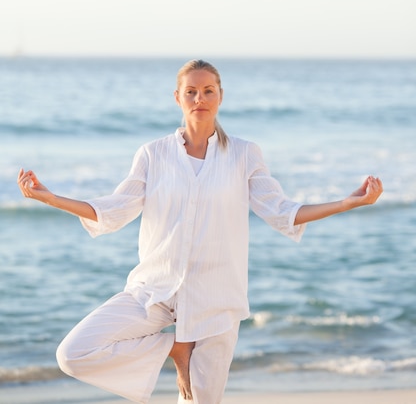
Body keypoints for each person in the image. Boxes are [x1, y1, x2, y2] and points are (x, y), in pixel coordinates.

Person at [17, 59, 383, 404]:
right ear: (177, 98)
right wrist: (51, 198)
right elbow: (114, 209)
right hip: (155, 292)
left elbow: (282, 212)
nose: (200, 98)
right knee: (73, 353)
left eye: (208, 90)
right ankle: (174, 348)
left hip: (215, 301)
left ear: (220, 96)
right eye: (191, 91)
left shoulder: (244, 154)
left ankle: (182, 348)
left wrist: (346, 203)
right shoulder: (152, 154)